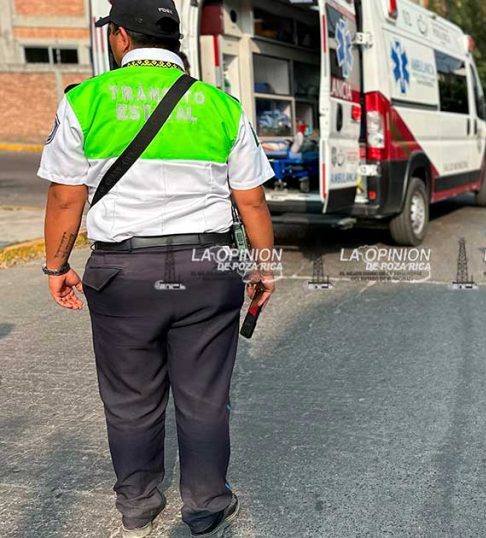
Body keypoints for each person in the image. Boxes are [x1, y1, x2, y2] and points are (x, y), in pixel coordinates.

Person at [37, 1, 275, 536]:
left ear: (121, 38)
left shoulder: (86, 101)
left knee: (129, 398)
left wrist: (57, 266)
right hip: (208, 269)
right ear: (172, 42)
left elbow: (65, 198)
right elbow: (253, 202)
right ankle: (206, 505)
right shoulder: (221, 105)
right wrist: (264, 268)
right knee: (205, 397)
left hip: (122, 273)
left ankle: (139, 504)